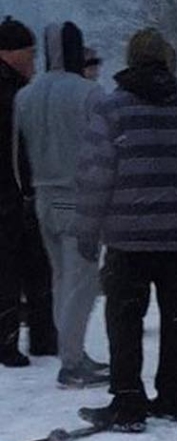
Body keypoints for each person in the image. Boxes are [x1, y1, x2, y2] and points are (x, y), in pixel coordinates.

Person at [77, 28, 177, 432]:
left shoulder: (111, 109)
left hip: (125, 237)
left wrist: (87, 229)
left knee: (124, 319)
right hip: (176, 237)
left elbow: (95, 175)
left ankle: (128, 403)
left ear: (131, 58)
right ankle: (174, 398)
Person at [13, 21, 108, 386]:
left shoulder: (26, 96)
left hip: (42, 198)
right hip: (80, 199)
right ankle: (72, 362)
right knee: (81, 282)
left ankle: (70, 351)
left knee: (59, 279)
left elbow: (14, 154)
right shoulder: (90, 94)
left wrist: (27, 191)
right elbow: (104, 149)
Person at [0, 16, 56, 366]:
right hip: (13, 197)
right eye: (28, 53)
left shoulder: (18, 91)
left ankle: (40, 335)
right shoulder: (13, 96)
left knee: (30, 266)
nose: (33, 61)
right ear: (8, 53)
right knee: (12, 269)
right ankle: (16, 340)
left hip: (19, 195)